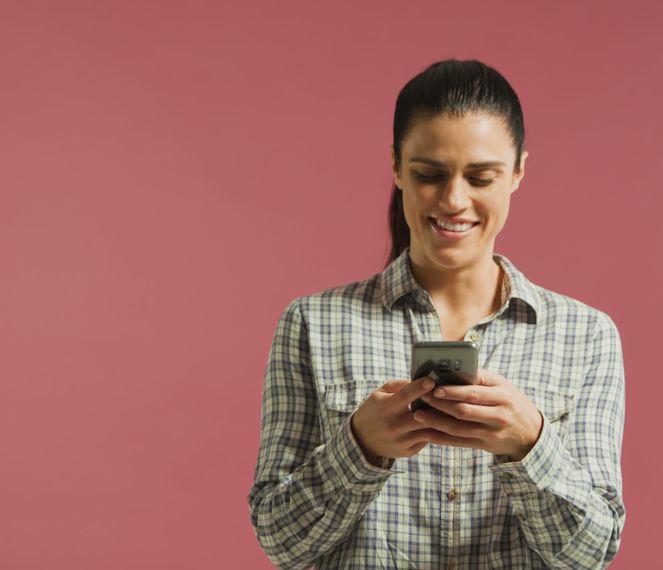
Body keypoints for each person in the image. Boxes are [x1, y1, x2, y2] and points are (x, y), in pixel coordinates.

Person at [247, 58, 627, 569]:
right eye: (430, 174)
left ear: (517, 172)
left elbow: (592, 555)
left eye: (481, 177)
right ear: (397, 167)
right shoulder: (313, 324)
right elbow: (281, 541)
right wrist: (360, 447)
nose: (454, 200)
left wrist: (530, 445)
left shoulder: (587, 336)